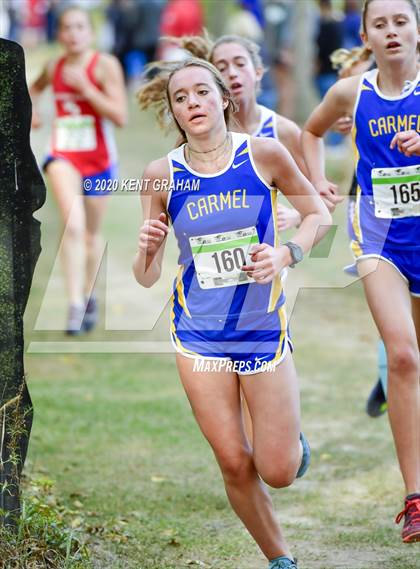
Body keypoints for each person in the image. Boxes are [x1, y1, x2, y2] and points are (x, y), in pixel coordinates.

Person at [134, 57, 332, 568]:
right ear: (175, 113)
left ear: (223, 99)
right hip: (198, 333)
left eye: (202, 92)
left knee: (279, 470)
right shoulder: (161, 176)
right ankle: (280, 560)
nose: (192, 103)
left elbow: (317, 214)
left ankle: (289, 443)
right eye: (181, 98)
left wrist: (287, 254)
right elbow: (146, 277)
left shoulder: (264, 154)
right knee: (232, 460)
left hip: (262, 328)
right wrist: (148, 250)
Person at [302, 0, 420, 543]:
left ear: (417, 28)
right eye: (381, 23)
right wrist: (317, 185)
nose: (392, 30)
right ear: (366, 34)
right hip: (380, 240)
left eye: (402, 20)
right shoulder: (352, 91)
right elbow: (311, 131)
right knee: (401, 354)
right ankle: (415, 498)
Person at [30, 4, 127, 335]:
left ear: (90, 33)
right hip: (63, 155)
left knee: (90, 235)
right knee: (73, 226)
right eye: (66, 28)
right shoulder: (53, 65)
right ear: (58, 34)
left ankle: (88, 297)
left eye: (79, 28)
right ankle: (73, 304)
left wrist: (87, 90)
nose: (72, 34)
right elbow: (32, 90)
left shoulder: (105, 66)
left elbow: (120, 116)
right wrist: (31, 113)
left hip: (99, 159)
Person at [0, 38, 46, 528]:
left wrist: (22, 225)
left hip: (8, 233)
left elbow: (21, 153)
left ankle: (8, 498)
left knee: (9, 372)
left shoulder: (6, 60)